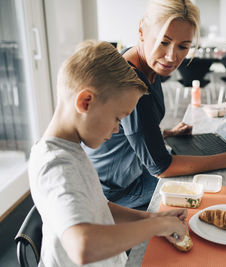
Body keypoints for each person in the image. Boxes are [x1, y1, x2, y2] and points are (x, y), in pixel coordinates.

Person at [83, 0, 226, 209]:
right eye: (163, 42)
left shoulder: (146, 63)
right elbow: (161, 168)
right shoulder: (131, 82)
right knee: (209, 193)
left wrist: (163, 134)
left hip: (131, 173)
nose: (171, 57)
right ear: (141, 31)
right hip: (119, 193)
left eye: (183, 46)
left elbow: (129, 132)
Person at [29, 40, 188, 266]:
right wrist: (157, 226)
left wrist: (150, 218)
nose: (116, 130)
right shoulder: (56, 166)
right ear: (86, 102)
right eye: (117, 118)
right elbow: (82, 247)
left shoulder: (72, 148)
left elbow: (99, 206)